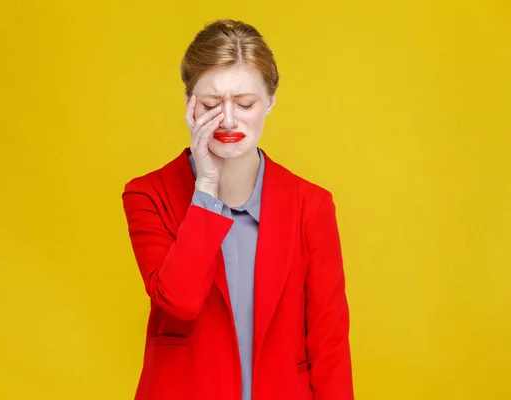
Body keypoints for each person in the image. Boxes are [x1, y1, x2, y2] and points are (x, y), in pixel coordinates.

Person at [122, 19, 354, 400]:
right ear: (188, 103)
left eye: (245, 104)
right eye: (211, 104)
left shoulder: (310, 205)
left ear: (270, 102)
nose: (227, 120)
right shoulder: (148, 195)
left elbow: (329, 345)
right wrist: (207, 191)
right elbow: (179, 301)